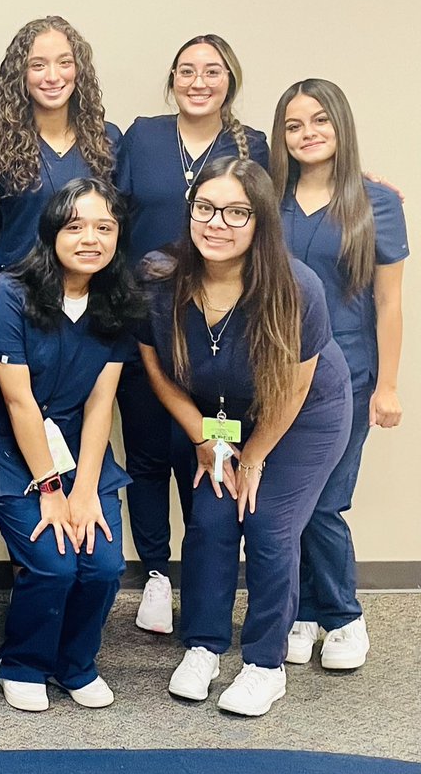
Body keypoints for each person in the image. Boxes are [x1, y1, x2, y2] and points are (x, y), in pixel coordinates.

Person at [138, 156, 352, 717]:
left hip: (301, 415)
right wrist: (206, 443)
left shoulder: (295, 286)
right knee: (208, 516)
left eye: (238, 212)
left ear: (260, 222)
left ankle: (264, 663)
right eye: (206, 208)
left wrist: (254, 456)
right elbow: (157, 367)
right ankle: (204, 646)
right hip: (219, 416)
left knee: (267, 521)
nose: (218, 223)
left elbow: (298, 384)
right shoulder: (160, 276)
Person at [0, 178, 144, 712]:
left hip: (78, 445)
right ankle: (22, 661)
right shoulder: (8, 293)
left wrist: (85, 488)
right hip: (11, 449)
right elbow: (18, 403)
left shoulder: (118, 301)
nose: (90, 238)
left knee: (105, 564)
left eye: (104, 227)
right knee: (54, 563)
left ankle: (76, 663)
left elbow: (98, 405)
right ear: (52, 231)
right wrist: (50, 488)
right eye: (76, 225)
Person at [115, 34, 269, 635]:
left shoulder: (252, 145)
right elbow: (114, 205)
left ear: (230, 79)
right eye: (186, 70)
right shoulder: (144, 135)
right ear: (172, 79)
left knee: (204, 446)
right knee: (149, 448)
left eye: (212, 71)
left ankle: (201, 572)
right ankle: (156, 572)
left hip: (221, 319)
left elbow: (289, 194)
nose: (198, 81)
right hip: (148, 314)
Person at [269, 79, 407, 671]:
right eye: (294, 125)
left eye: (319, 122)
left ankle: (343, 616)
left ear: (341, 126)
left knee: (324, 502)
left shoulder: (377, 202)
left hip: (346, 375)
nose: (307, 135)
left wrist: (389, 386)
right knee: (284, 500)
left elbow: (389, 303)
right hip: (273, 373)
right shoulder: (267, 197)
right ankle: (299, 613)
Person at [0, 16, 122, 272]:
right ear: (20, 74)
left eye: (64, 63)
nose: (53, 76)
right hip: (17, 291)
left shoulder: (107, 138)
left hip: (88, 293)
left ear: (79, 70)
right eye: (38, 65)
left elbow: (119, 219)